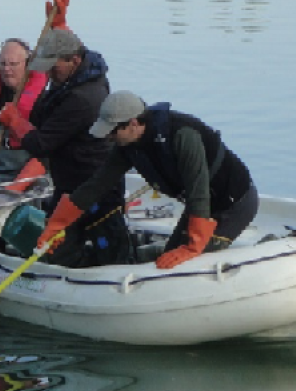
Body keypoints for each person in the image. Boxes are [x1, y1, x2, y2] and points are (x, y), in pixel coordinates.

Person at [34, 91, 257, 269]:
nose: (109, 137)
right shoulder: (127, 145)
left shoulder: (183, 135)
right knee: (167, 258)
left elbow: (198, 190)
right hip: (198, 205)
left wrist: (193, 245)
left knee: (184, 264)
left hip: (233, 204)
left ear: (132, 123)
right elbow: (97, 184)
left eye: (113, 131)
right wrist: (58, 222)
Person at [0, 25, 132, 267]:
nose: (48, 73)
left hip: (92, 186)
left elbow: (41, 144)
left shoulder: (83, 98)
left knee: (111, 251)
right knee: (59, 250)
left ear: (74, 60)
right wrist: (59, 21)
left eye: (53, 66)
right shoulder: (71, 79)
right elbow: (43, 115)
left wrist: (16, 123)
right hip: (67, 185)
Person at [0, 37, 48, 183]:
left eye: (13, 64)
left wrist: (16, 187)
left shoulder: (44, 98)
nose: (6, 69)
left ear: (28, 65)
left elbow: (48, 150)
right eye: (3, 63)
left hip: (33, 174)